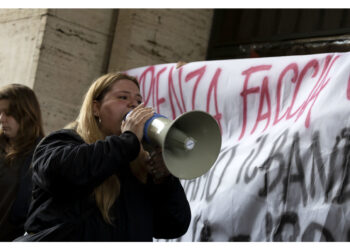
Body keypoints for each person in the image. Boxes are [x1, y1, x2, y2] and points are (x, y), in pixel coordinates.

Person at [22, 72, 191, 241]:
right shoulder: (61, 142)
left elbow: (174, 226)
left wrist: (164, 181)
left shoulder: (139, 166)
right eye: (123, 97)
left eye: (139, 101)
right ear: (96, 108)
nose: (134, 105)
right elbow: (62, 174)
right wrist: (127, 141)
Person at [0, 84, 44, 241]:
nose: (1, 119)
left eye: (8, 113)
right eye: (0, 112)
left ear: (26, 113)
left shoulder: (43, 154)